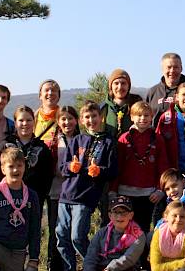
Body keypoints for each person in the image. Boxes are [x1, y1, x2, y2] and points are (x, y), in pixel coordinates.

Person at [57, 101, 118, 271]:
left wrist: (99, 170)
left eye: (94, 116)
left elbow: (113, 170)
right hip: (66, 195)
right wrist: (70, 166)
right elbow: (63, 167)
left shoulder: (108, 142)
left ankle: (95, 265)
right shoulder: (77, 140)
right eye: (87, 117)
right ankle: (69, 268)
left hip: (86, 197)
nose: (91, 120)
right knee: (61, 236)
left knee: (77, 237)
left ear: (101, 117)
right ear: (82, 120)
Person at [112, 101, 169, 231]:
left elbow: (162, 166)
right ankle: (123, 251)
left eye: (146, 115)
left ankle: (142, 251)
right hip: (125, 192)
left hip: (148, 194)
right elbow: (117, 166)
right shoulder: (124, 138)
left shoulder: (157, 139)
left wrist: (160, 189)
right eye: (139, 115)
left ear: (151, 117)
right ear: (132, 117)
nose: (143, 118)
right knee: (124, 228)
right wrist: (113, 190)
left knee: (142, 228)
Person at [0, 106, 54, 208]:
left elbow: (48, 175)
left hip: (32, 201)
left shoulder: (42, 148)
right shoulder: (5, 145)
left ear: (34, 122)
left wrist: (40, 196)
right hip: (5, 199)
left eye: (29, 120)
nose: (25, 124)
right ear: (15, 123)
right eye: (21, 120)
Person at [46, 105, 78, 271]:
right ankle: (54, 266)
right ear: (58, 121)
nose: (67, 122)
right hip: (56, 193)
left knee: (74, 235)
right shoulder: (53, 142)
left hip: (76, 195)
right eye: (63, 119)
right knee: (56, 233)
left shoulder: (82, 139)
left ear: (76, 120)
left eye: (70, 118)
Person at [82, 196, 147, 271]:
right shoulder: (102, 233)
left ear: (131, 215)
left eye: (124, 213)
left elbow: (128, 259)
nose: (119, 216)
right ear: (110, 215)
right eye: (116, 212)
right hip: (101, 266)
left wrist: (108, 269)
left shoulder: (138, 235)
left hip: (125, 268)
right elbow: (91, 256)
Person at [150, 201, 185, 271]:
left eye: (182, 216)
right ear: (166, 217)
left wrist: (165, 265)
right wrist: (181, 263)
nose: (178, 219)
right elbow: (155, 268)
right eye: (174, 216)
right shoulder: (158, 234)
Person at [146, 53, 185, 124]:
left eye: (176, 67)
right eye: (169, 67)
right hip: (156, 134)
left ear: (181, 68)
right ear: (162, 69)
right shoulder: (152, 92)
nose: (172, 71)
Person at [102, 69, 143, 134]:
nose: (120, 87)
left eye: (123, 83)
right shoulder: (103, 108)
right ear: (111, 86)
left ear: (128, 86)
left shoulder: (138, 106)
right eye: (116, 83)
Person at [35, 79, 61, 146]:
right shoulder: (32, 118)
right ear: (40, 95)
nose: (50, 93)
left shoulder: (66, 118)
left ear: (58, 96)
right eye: (46, 90)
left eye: (53, 90)